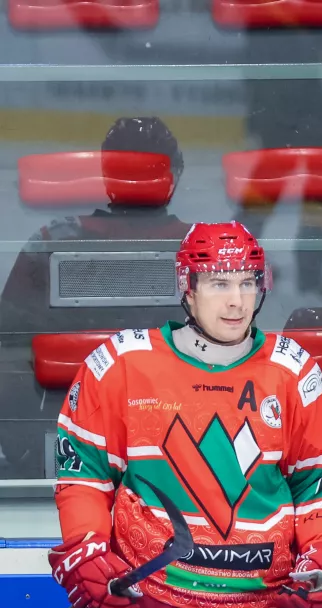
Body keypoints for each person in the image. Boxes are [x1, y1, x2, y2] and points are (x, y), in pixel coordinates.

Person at [47, 221, 322, 608]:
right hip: (150, 604)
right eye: (219, 284)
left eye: (247, 283)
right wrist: (86, 545)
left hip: (270, 607)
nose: (237, 302)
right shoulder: (120, 365)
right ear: (188, 288)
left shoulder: (293, 371)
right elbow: (84, 476)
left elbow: (318, 485)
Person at [0, 116, 190, 478]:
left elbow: (8, 350)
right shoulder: (202, 248)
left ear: (106, 172)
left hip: (64, 444)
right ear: (173, 173)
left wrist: (23, 445)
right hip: (184, 446)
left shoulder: (51, 241)